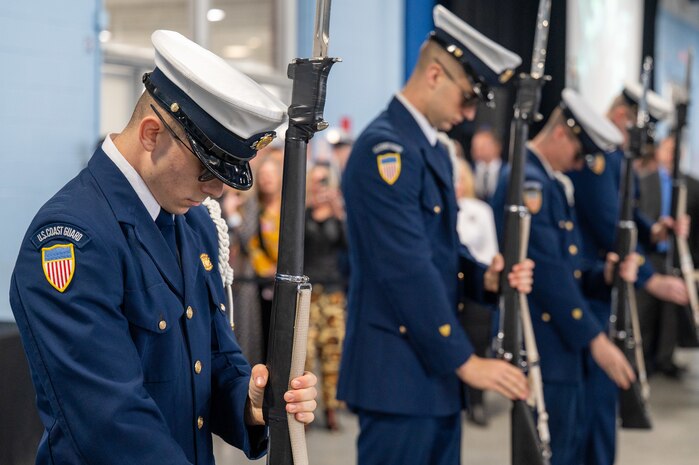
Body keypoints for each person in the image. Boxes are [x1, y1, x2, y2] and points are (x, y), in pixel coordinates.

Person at [9, 30, 317, 465]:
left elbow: (214, 355)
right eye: (206, 170)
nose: (214, 191)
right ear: (152, 133)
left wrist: (251, 401)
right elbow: (108, 420)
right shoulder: (72, 236)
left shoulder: (192, 224)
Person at [337, 6, 534, 465]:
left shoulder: (431, 150)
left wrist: (484, 278)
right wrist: (465, 360)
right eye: (467, 98)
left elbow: (441, 248)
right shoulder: (384, 151)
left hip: (433, 368)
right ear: (433, 75)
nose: (468, 114)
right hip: (399, 374)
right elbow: (404, 266)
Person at [491, 89, 637, 465]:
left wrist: (601, 275)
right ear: (560, 134)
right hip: (544, 346)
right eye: (578, 154)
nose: (577, 165)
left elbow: (568, 266)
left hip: (561, 345)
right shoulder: (527, 180)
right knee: (551, 451)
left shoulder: (550, 182)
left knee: (569, 448)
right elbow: (547, 275)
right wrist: (595, 340)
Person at [566, 83, 689, 465]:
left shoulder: (618, 158)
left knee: (603, 402)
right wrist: (649, 278)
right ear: (622, 117)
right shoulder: (597, 159)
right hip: (588, 285)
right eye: (640, 128)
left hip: (607, 288)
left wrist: (656, 230)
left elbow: (628, 215)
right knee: (591, 403)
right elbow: (607, 225)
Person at [452, 155, 499, 426]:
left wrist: (489, 278)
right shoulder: (440, 210)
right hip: (452, 290)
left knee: (477, 346)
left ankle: (477, 402)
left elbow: (490, 251)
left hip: (475, 287)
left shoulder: (479, 210)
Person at [303, 162, 348, 431]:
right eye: (316, 181)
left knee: (333, 353)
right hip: (308, 292)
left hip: (332, 292)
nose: (321, 186)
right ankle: (307, 407)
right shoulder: (303, 212)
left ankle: (332, 408)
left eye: (324, 181)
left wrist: (338, 211)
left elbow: (350, 246)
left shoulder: (337, 216)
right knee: (305, 353)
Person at [247, 153, 283, 361]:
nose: (266, 179)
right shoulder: (254, 210)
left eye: (271, 175)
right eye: (263, 175)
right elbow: (251, 244)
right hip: (262, 281)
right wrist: (265, 269)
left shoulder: (290, 207)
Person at [470, 127, 505, 201]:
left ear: (497, 147)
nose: (478, 149)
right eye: (475, 146)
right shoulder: (468, 170)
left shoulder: (508, 172)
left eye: (483, 146)